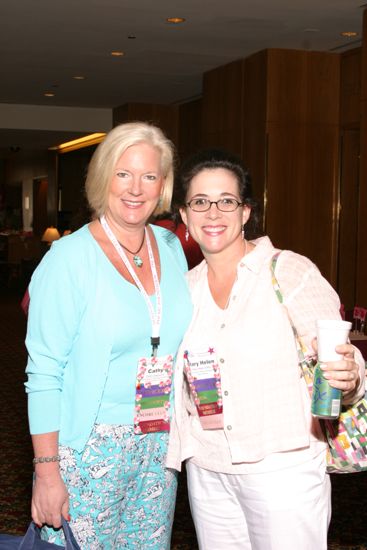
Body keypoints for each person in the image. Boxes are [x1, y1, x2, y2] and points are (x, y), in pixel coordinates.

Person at [166, 148, 365, 550]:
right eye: (200, 202)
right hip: (208, 469)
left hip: (283, 469)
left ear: (245, 212)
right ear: (185, 217)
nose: (213, 213)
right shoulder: (184, 290)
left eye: (227, 201)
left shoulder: (290, 271)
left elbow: (338, 353)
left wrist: (351, 376)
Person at [25, 122, 192, 549]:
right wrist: (47, 473)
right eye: (123, 173)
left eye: (149, 176)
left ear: (163, 185)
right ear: (103, 178)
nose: (136, 188)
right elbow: (44, 374)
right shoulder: (68, 260)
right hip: (88, 449)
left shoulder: (170, 248)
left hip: (158, 444)